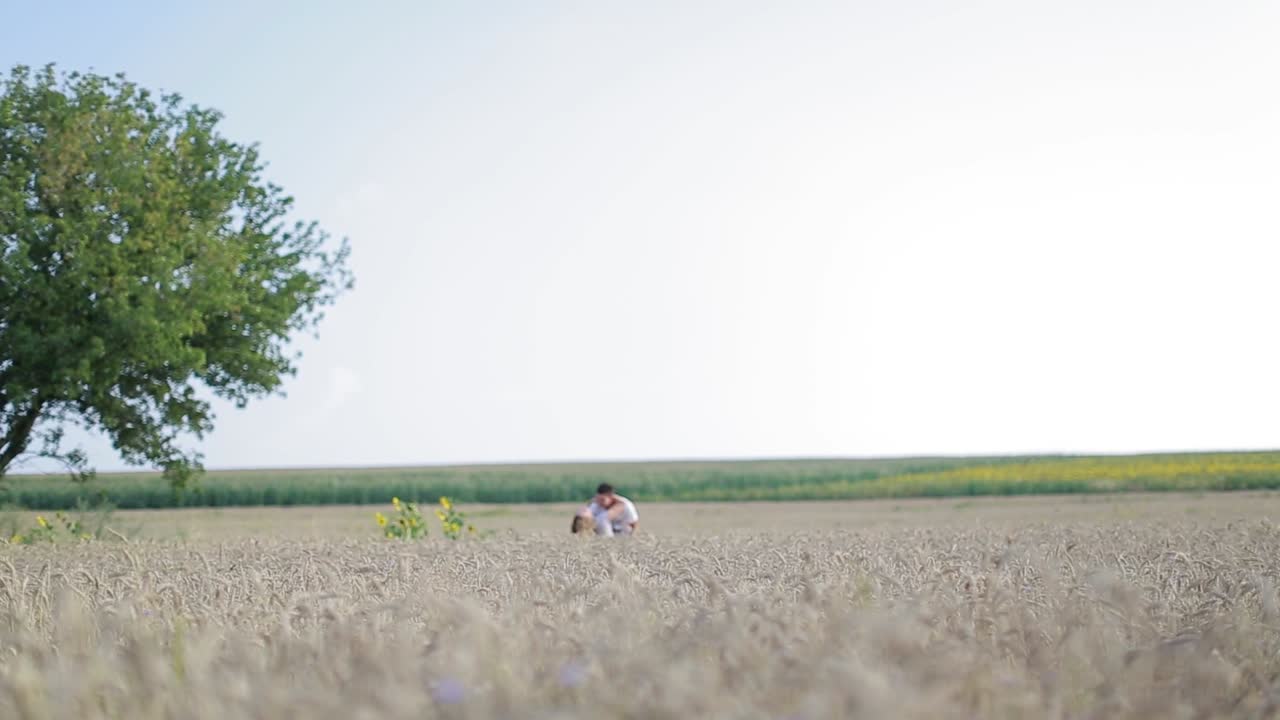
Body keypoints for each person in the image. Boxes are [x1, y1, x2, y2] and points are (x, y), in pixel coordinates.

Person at [574, 483, 638, 536]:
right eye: (598, 499)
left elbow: (634, 523)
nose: (600, 503)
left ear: (611, 496)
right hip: (603, 535)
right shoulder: (597, 504)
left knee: (602, 518)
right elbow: (586, 514)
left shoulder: (626, 505)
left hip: (622, 534)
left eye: (602, 500)